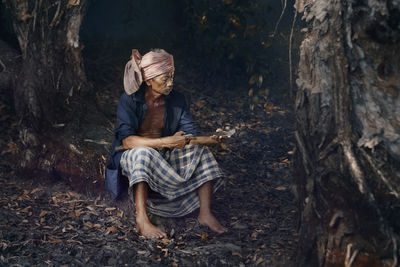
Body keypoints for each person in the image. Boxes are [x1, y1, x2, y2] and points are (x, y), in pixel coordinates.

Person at [105, 49, 227, 238]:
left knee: (201, 152)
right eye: (164, 79)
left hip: (165, 154)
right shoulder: (129, 100)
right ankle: (142, 219)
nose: (170, 83)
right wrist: (166, 142)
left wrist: (210, 140)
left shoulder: (177, 100)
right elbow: (127, 141)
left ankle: (205, 213)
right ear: (148, 80)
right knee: (143, 153)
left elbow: (188, 135)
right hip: (136, 156)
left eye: (172, 77)